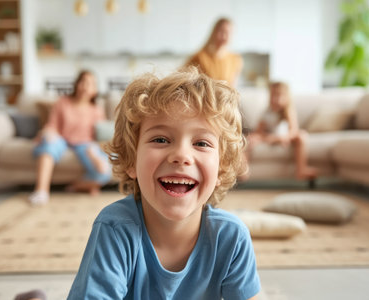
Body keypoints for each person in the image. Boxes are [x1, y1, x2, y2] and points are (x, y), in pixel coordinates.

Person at [67, 68, 260, 299]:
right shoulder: (116, 228)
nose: (181, 155)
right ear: (131, 159)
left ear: (222, 167)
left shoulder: (231, 237)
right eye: (160, 139)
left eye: (201, 143)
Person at [28, 70, 111, 205]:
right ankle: (41, 191)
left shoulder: (96, 109)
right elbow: (52, 125)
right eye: (83, 82)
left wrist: (94, 149)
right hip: (62, 139)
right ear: (77, 84)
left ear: (95, 90)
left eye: (90, 84)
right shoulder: (63, 102)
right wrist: (49, 133)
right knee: (49, 145)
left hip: (85, 143)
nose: (85, 86)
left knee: (103, 171)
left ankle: (76, 186)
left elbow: (100, 135)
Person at [246, 81, 317, 180]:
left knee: (302, 135)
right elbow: (259, 131)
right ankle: (243, 169)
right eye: (272, 95)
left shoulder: (289, 111)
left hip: (284, 137)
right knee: (249, 139)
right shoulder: (267, 112)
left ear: (287, 97)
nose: (275, 99)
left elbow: (293, 131)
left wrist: (283, 138)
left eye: (279, 95)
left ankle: (301, 169)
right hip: (269, 137)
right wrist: (265, 138)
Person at [184, 17, 243, 87]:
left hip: (224, 98)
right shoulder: (199, 57)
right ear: (213, 33)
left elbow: (232, 88)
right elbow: (183, 80)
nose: (224, 36)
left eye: (228, 33)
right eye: (221, 31)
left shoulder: (236, 60)